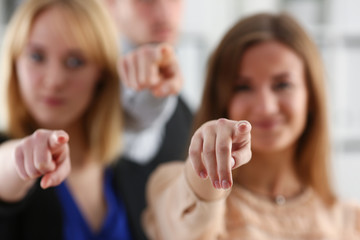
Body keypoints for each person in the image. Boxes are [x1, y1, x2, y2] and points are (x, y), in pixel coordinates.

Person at [143, 13, 360, 239]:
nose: (265, 107)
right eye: (243, 87)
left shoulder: (347, 220)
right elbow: (186, 226)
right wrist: (206, 168)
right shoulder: (181, 195)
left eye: (282, 84)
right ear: (222, 99)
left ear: (311, 97)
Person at [0, 0, 132, 239]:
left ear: (101, 72)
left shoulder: (128, 161)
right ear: (14, 62)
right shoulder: (8, 153)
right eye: (37, 56)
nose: (53, 81)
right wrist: (22, 158)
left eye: (75, 62)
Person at [103, 0, 193, 239]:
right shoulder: (92, 89)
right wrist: (151, 95)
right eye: (146, 1)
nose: (164, 12)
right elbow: (137, 130)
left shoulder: (184, 107)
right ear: (109, 4)